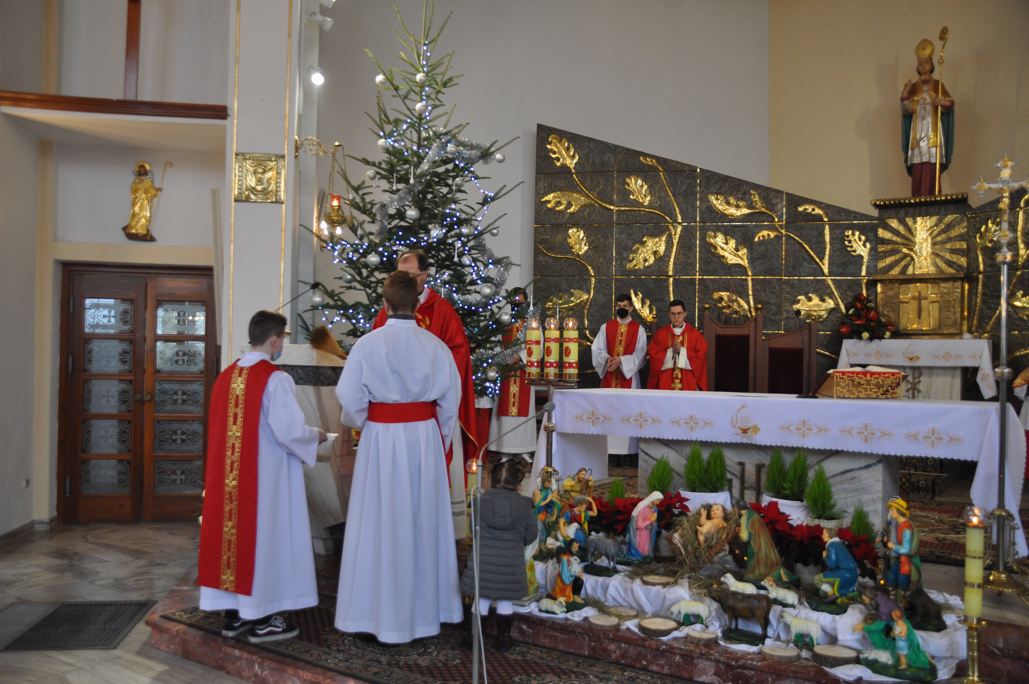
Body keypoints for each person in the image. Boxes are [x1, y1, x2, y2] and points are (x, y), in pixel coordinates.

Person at [335, 270, 463, 644]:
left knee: (377, 522)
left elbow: (350, 400)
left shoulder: (367, 345)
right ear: (418, 303)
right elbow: (450, 405)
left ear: (385, 303)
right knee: (423, 522)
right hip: (424, 439)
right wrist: (436, 440)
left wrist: (370, 423)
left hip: (380, 439)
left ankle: (371, 616)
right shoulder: (437, 347)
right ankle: (426, 616)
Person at [198, 310, 328, 643]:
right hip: (264, 481)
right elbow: (289, 431)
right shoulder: (275, 378)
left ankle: (234, 616)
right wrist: (316, 436)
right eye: (282, 338)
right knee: (265, 540)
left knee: (232, 539)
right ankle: (263, 619)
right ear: (274, 340)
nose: (281, 343)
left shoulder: (226, 376)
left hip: (228, 480)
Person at [371, 249, 478, 539]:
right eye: (400, 275)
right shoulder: (385, 313)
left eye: (410, 275)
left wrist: (428, 376)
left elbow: (458, 352)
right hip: (394, 416)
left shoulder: (441, 309)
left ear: (425, 275)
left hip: (432, 411)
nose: (405, 280)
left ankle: (440, 529)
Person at [459, 459, 537, 653]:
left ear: (490, 481)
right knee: (505, 599)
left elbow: (473, 531)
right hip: (510, 563)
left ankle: (474, 637)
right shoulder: (525, 506)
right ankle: (504, 639)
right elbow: (531, 535)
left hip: (484, 561)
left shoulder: (480, 503)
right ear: (518, 485)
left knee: (482, 598)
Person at [591, 294, 648, 464]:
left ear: (631, 308)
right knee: (608, 412)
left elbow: (641, 354)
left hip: (629, 379)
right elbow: (597, 350)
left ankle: (625, 453)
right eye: (619, 306)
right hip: (609, 377)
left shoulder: (639, 329)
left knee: (627, 413)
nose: (621, 308)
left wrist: (621, 361)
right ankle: (608, 451)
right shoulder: (606, 327)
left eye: (625, 306)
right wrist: (608, 359)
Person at [488, 289, 537, 462]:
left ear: (526, 303)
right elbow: (494, 343)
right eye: (514, 303)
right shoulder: (503, 321)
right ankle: (505, 449)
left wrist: (520, 356)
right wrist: (502, 358)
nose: (517, 306)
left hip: (523, 373)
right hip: (505, 373)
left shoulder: (532, 323)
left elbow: (538, 346)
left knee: (524, 411)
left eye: (520, 303)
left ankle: (523, 449)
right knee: (505, 414)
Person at [901, 38, 954, 197]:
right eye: (920, 63)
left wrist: (942, 102)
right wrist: (905, 95)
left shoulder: (938, 85)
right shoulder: (914, 87)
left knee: (932, 166)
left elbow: (950, 104)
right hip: (918, 135)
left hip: (933, 133)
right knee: (918, 168)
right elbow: (907, 111)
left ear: (931, 65)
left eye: (926, 62)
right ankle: (917, 199)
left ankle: (932, 196)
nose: (923, 65)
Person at [647, 299, 708, 391]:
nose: (676, 317)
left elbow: (700, 357)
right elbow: (653, 355)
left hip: (688, 383)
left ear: (685, 314)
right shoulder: (661, 334)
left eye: (679, 313)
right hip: (666, 383)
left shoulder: (695, 335)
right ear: (669, 314)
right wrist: (670, 352)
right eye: (673, 314)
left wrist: (682, 351)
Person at [885, 497, 921, 607]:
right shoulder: (898, 525)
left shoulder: (906, 528)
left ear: (898, 511)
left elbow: (906, 549)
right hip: (898, 559)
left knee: (903, 581)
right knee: (892, 579)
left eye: (892, 510)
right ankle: (892, 602)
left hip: (905, 560)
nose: (890, 512)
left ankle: (905, 603)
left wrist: (893, 546)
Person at [814, 528, 859, 600]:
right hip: (852, 572)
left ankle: (833, 595)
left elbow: (832, 565)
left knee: (817, 579)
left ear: (829, 535)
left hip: (845, 573)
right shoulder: (838, 543)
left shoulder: (831, 545)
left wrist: (825, 557)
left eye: (824, 534)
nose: (822, 536)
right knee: (822, 593)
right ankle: (832, 593)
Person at [123, 162, 161, 241]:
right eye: (140, 170)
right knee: (136, 213)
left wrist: (156, 190)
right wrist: (138, 184)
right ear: (139, 171)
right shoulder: (137, 179)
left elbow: (151, 189)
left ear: (145, 171)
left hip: (145, 200)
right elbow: (133, 189)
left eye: (143, 169)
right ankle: (132, 228)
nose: (142, 171)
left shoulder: (148, 180)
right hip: (138, 200)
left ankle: (141, 231)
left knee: (144, 215)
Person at [626, 492, 662, 559]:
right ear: (653, 498)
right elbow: (638, 525)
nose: (658, 502)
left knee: (646, 549)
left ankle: (645, 557)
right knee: (640, 547)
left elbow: (653, 521)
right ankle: (638, 557)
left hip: (647, 532)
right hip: (639, 533)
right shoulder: (642, 508)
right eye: (657, 500)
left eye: (659, 501)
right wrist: (650, 521)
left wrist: (653, 522)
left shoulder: (654, 508)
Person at [532, 467, 560, 544]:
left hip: (548, 514)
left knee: (545, 530)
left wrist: (554, 515)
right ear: (542, 482)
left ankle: (543, 544)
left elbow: (555, 504)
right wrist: (547, 500)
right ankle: (537, 545)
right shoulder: (537, 491)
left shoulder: (552, 492)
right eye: (546, 482)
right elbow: (537, 504)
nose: (547, 484)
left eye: (549, 483)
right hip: (539, 514)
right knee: (539, 529)